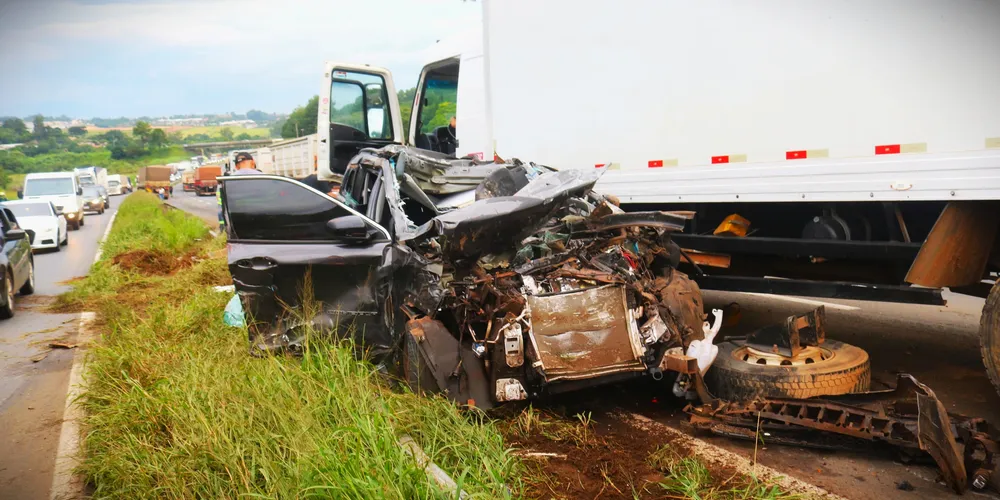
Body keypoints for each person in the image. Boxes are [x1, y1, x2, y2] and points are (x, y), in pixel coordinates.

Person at [219, 152, 262, 230]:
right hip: (264, 218)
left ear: (236, 167)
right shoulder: (264, 178)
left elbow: (223, 207)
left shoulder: (227, 181)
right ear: (253, 162)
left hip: (239, 222)